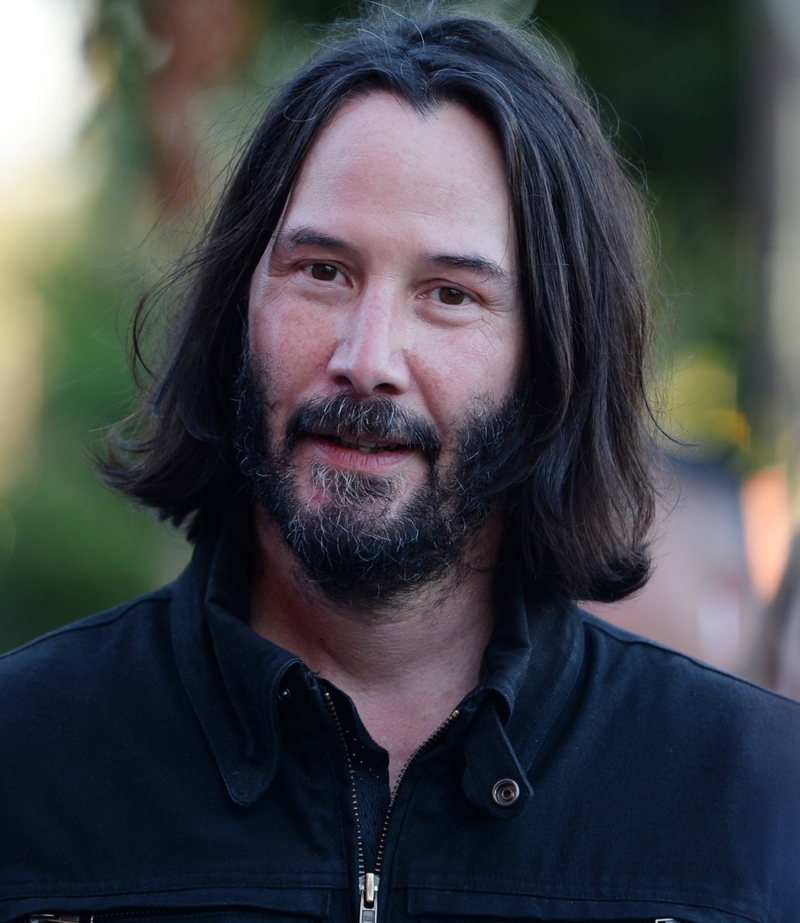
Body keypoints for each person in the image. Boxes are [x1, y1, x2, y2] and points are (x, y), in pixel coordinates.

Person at [1, 11, 798, 923]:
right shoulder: (27, 762)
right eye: (323, 272)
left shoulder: (755, 800)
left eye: (449, 295)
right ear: (239, 312)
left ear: (554, 361)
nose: (367, 355)